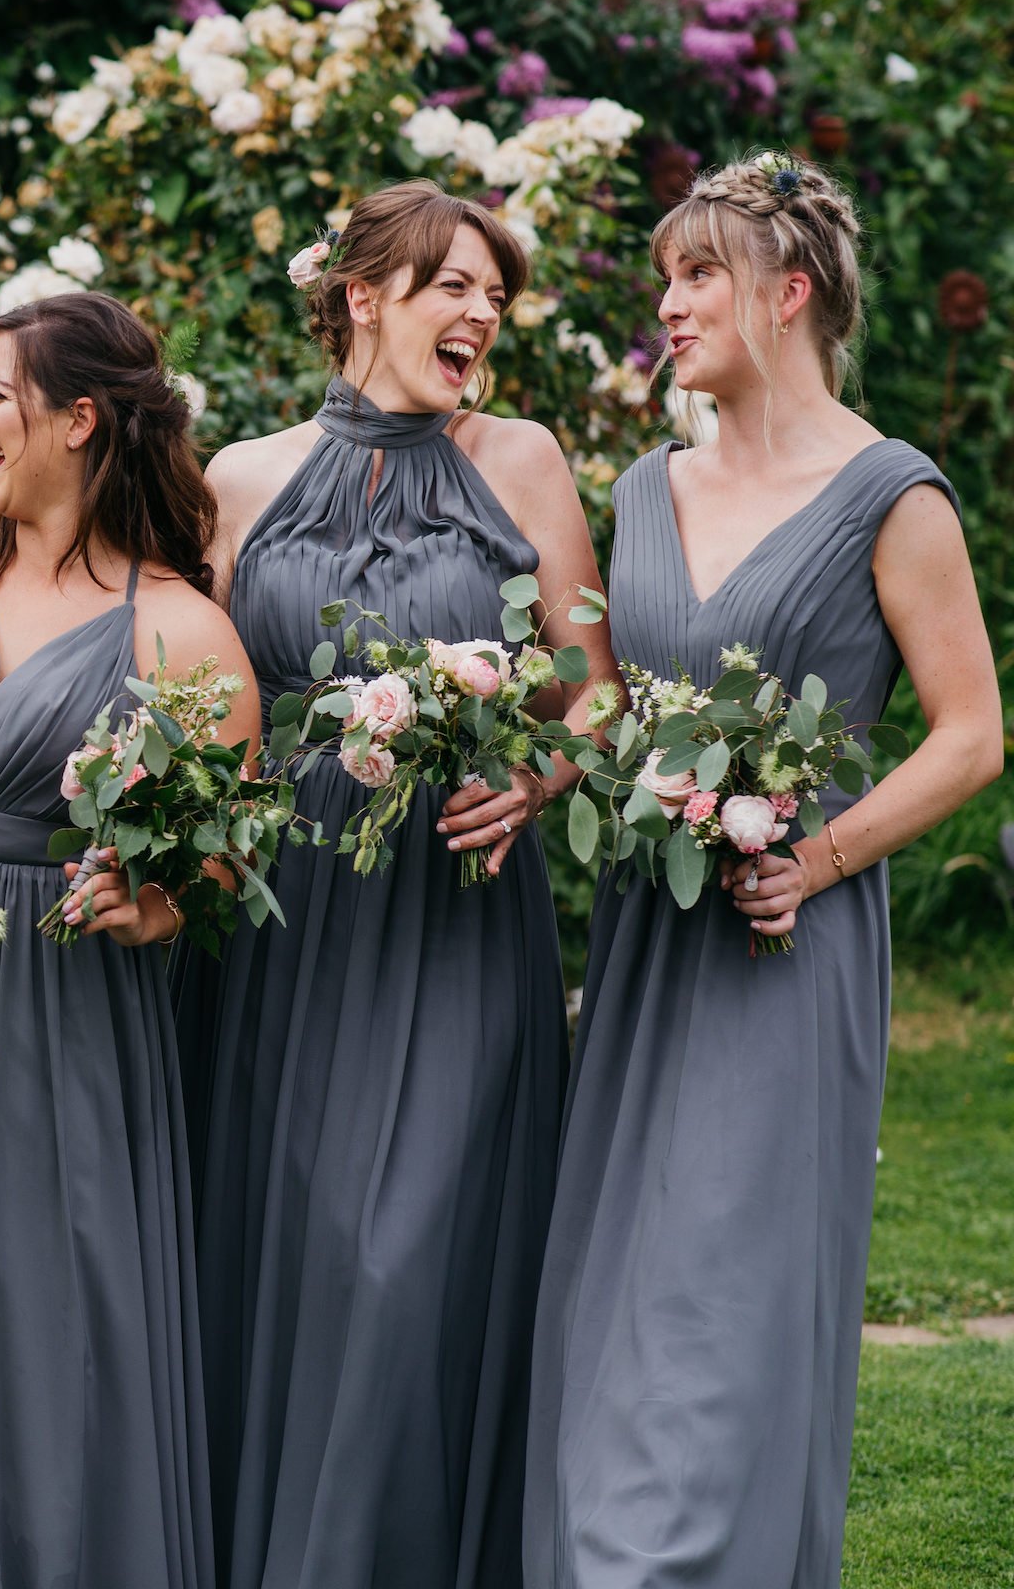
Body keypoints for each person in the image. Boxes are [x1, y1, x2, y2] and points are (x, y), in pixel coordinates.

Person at [526, 153, 1001, 1588]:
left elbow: (972, 736)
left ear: (789, 294)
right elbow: (602, 707)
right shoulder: (642, 487)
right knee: (621, 1288)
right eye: (666, 276)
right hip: (647, 936)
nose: (665, 305)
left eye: (698, 275)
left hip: (790, 939)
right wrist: (496, 751)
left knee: (723, 1293)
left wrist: (821, 855)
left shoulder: (892, 497)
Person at [177, 179, 616, 1588]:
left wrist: (533, 780)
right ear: (363, 297)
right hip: (285, 916)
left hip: (456, 900)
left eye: (494, 293)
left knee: (407, 1261)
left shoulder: (528, 460)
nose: (481, 314)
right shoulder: (237, 479)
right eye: (452, 287)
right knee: (299, 1246)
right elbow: (185, 699)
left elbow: (593, 700)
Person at [0, 291, 252, 1587]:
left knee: (48, 1317)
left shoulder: (180, 633)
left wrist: (162, 896)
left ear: (78, 418)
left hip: (61, 1010)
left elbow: (224, 857)